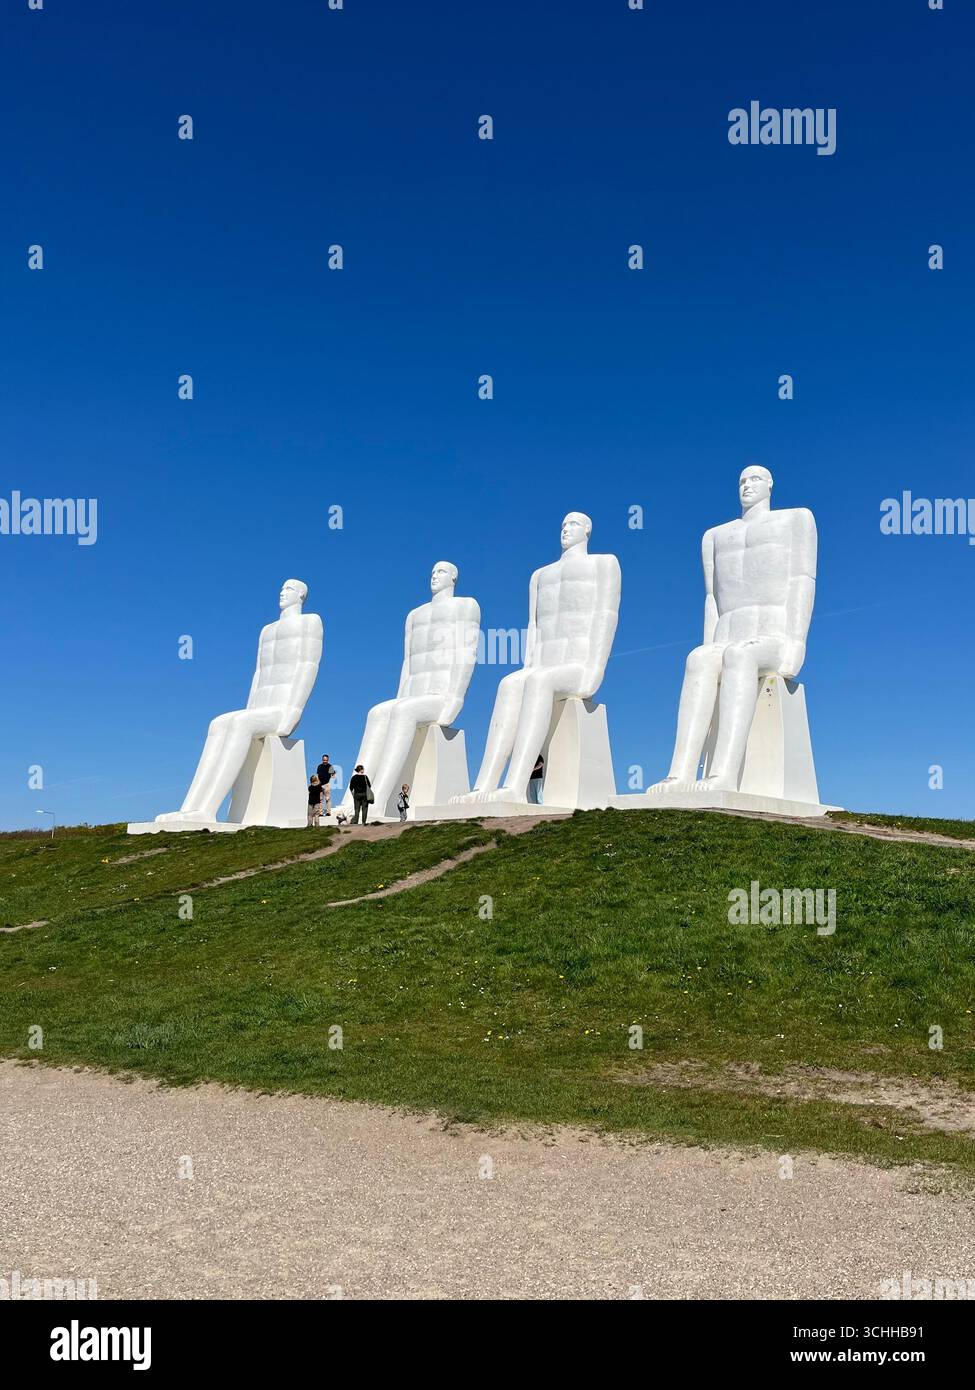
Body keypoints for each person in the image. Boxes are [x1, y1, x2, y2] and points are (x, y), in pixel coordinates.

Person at [648, 465, 817, 794]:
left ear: (770, 486)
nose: (746, 485)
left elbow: (802, 582)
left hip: (774, 636)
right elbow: (712, 599)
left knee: (740, 656)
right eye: (741, 480)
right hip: (728, 635)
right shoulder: (714, 536)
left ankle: (722, 774)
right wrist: (709, 644)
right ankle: (680, 773)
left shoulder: (796, 520)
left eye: (754, 479)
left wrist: (796, 643)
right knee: (698, 659)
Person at [452, 514, 620, 804]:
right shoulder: (540, 576)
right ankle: (484, 785)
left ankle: (516, 784)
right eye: (563, 526)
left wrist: (596, 668)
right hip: (542, 664)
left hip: (577, 666)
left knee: (540, 681)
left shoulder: (604, 564)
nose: (566, 530)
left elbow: (607, 615)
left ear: (588, 531)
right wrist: (528, 666)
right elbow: (533, 626)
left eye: (573, 525)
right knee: (509, 683)